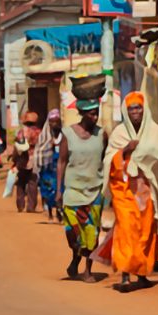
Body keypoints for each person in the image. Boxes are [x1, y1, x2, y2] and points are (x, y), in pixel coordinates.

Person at [103, 91, 158, 292]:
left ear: (144, 110)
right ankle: (125, 275)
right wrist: (126, 150)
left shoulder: (154, 131)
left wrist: (153, 156)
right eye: (131, 109)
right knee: (127, 230)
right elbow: (109, 160)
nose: (135, 112)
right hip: (124, 191)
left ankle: (142, 272)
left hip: (147, 192)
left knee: (147, 232)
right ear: (125, 112)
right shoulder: (119, 134)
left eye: (138, 108)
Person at [56, 97, 108, 282]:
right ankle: (75, 258)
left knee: (91, 233)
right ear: (83, 114)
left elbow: (106, 158)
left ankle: (87, 270)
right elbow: (61, 161)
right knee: (74, 234)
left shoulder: (102, 134)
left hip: (94, 191)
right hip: (73, 191)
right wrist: (59, 190)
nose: (95, 117)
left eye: (97, 113)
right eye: (92, 114)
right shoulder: (68, 134)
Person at [35, 109, 64, 221]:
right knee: (48, 189)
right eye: (52, 121)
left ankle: (58, 211)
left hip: (59, 167)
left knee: (59, 188)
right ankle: (50, 214)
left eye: (56, 121)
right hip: (47, 167)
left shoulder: (64, 135)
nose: (54, 124)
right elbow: (40, 150)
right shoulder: (44, 135)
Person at [10, 111, 41, 213]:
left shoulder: (21, 132)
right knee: (32, 183)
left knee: (21, 183)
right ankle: (31, 207)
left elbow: (16, 147)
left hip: (22, 160)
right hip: (34, 159)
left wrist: (14, 159)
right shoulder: (38, 132)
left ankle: (20, 205)